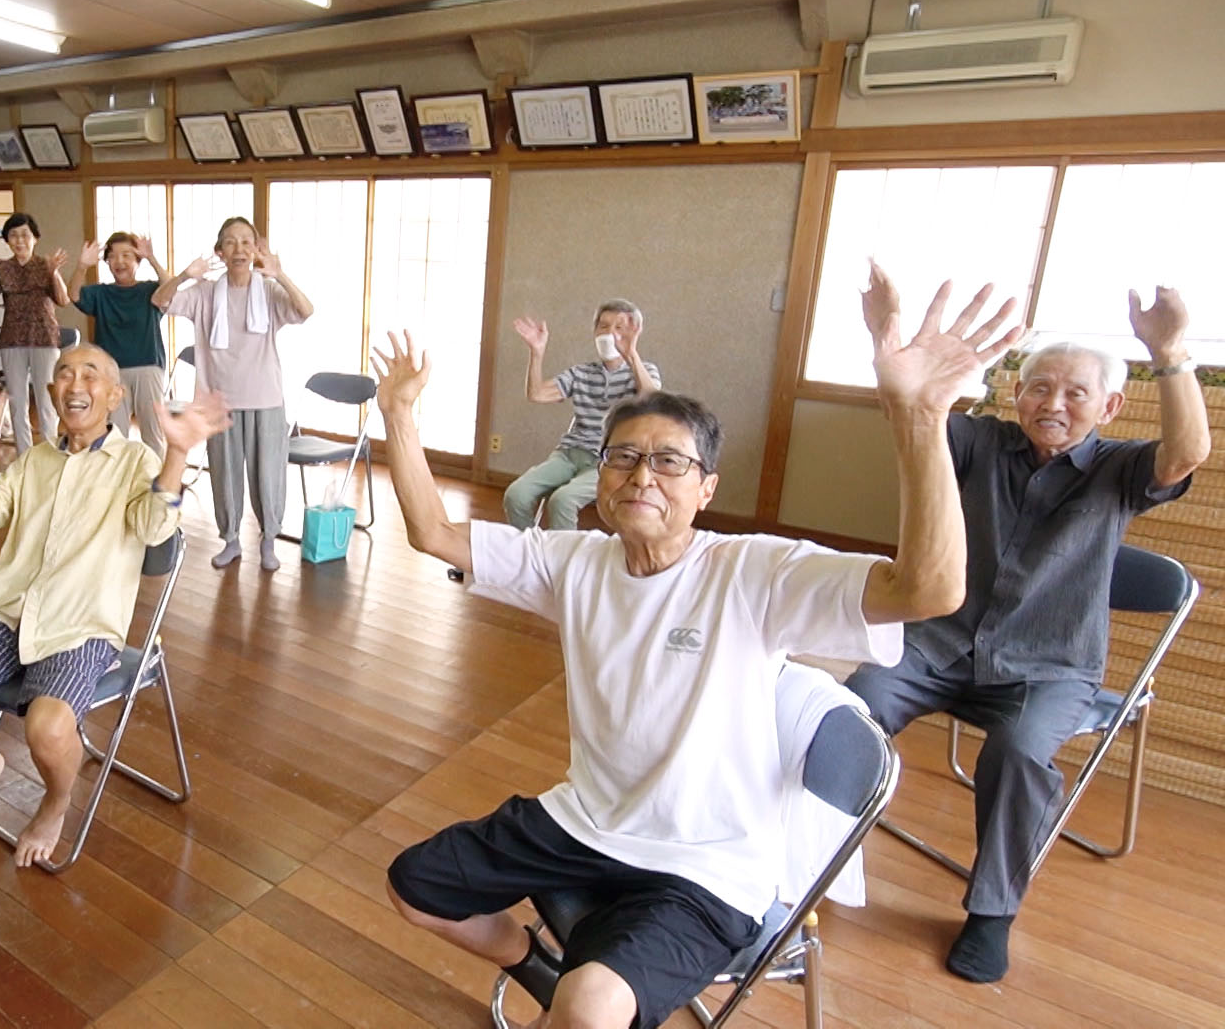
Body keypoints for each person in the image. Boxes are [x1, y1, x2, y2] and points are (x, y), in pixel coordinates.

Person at [374, 263, 1022, 1029]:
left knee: (589, 1010)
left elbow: (928, 590)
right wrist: (399, 415)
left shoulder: (755, 571)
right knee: (414, 887)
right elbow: (435, 533)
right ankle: (533, 964)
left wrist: (918, 417)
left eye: (669, 461)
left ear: (705, 490)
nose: (641, 474)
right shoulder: (573, 560)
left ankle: (572, 989)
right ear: (600, 475)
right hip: (585, 821)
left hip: (705, 863)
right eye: (622, 457)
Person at [844, 286, 1209, 985]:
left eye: (1076, 393)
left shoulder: (1118, 468)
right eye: (1040, 387)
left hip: (1048, 666)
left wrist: (1169, 352)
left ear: (1109, 408)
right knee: (847, 709)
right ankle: (797, 859)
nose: (1053, 404)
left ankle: (992, 913)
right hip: (939, 645)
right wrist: (891, 368)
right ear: (1017, 396)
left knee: (1015, 753)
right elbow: (912, 418)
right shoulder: (982, 441)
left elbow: (1185, 453)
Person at [0, 344, 231, 868]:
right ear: (51, 394)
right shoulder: (35, 461)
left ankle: (56, 800)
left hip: (82, 627)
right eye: (64, 374)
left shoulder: (137, 460)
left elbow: (154, 526)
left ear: (115, 395)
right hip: (8, 623)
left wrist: (178, 455)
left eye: (90, 375)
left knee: (46, 728)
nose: (74, 384)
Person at [151, 216, 315, 570]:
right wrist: (184, 276)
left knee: (269, 475)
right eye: (230, 242)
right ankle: (231, 540)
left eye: (246, 241)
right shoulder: (205, 293)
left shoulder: (269, 291)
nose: (239, 248)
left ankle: (269, 540)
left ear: (256, 250)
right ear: (219, 251)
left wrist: (280, 275)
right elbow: (160, 300)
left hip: (266, 399)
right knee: (225, 475)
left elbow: (306, 310)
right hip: (218, 403)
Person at [504, 300, 660, 530]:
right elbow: (536, 394)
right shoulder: (582, 372)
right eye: (604, 327)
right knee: (516, 494)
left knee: (562, 500)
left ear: (633, 333)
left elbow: (654, 402)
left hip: (609, 460)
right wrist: (536, 352)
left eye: (619, 328)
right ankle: (530, 554)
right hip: (568, 454)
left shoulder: (644, 371)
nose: (610, 334)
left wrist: (632, 356)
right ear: (595, 332)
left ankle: (563, 563)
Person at [0, 212, 68, 448]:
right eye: (13, 235)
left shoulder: (45, 264)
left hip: (44, 337)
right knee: (17, 401)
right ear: (7, 240)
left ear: (35, 238)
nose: (19, 240)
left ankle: (50, 453)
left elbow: (63, 300)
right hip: (12, 339)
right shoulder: (3, 268)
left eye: (25, 235)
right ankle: (24, 457)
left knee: (46, 401)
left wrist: (54, 273)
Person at [68, 232, 172, 453]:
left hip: (148, 367)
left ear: (137, 261)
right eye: (113, 256)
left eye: (127, 255)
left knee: (153, 432)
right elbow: (74, 294)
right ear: (107, 262)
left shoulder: (150, 290)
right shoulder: (101, 293)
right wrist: (81, 266)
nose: (120, 261)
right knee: (114, 434)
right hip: (111, 372)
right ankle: (118, 483)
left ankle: (155, 484)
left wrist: (152, 258)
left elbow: (171, 288)